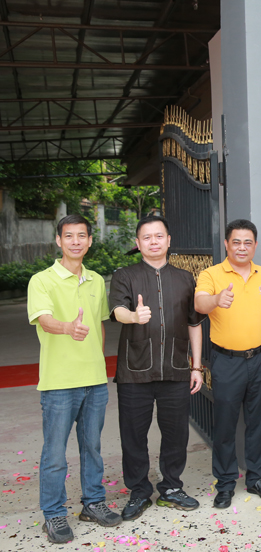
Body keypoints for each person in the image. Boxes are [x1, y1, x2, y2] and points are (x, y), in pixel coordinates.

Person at [27, 214, 122, 544]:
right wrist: (68, 327)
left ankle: (93, 503)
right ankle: (53, 514)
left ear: (90, 241)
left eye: (82, 235)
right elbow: (44, 320)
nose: (76, 241)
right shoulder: (41, 280)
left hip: (94, 380)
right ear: (59, 240)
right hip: (58, 383)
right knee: (55, 454)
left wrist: (98, 362)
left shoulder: (95, 280)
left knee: (92, 447)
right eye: (69, 236)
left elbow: (99, 325)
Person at [109, 215, 205, 520]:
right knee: (133, 435)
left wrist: (197, 367)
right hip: (134, 371)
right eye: (147, 237)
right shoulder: (125, 275)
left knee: (176, 434)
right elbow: (117, 310)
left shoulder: (185, 278)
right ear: (138, 243)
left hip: (175, 369)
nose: (153, 242)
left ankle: (172, 487)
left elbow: (194, 324)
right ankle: (139, 491)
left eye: (159, 236)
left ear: (168, 240)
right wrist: (133, 316)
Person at [194, 219, 261, 509]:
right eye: (236, 242)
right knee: (225, 425)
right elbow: (199, 304)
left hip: (260, 358)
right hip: (227, 361)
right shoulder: (211, 274)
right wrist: (217, 299)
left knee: (259, 424)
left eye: (248, 242)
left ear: (255, 245)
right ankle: (225, 484)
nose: (242, 247)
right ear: (226, 244)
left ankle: (256, 479)